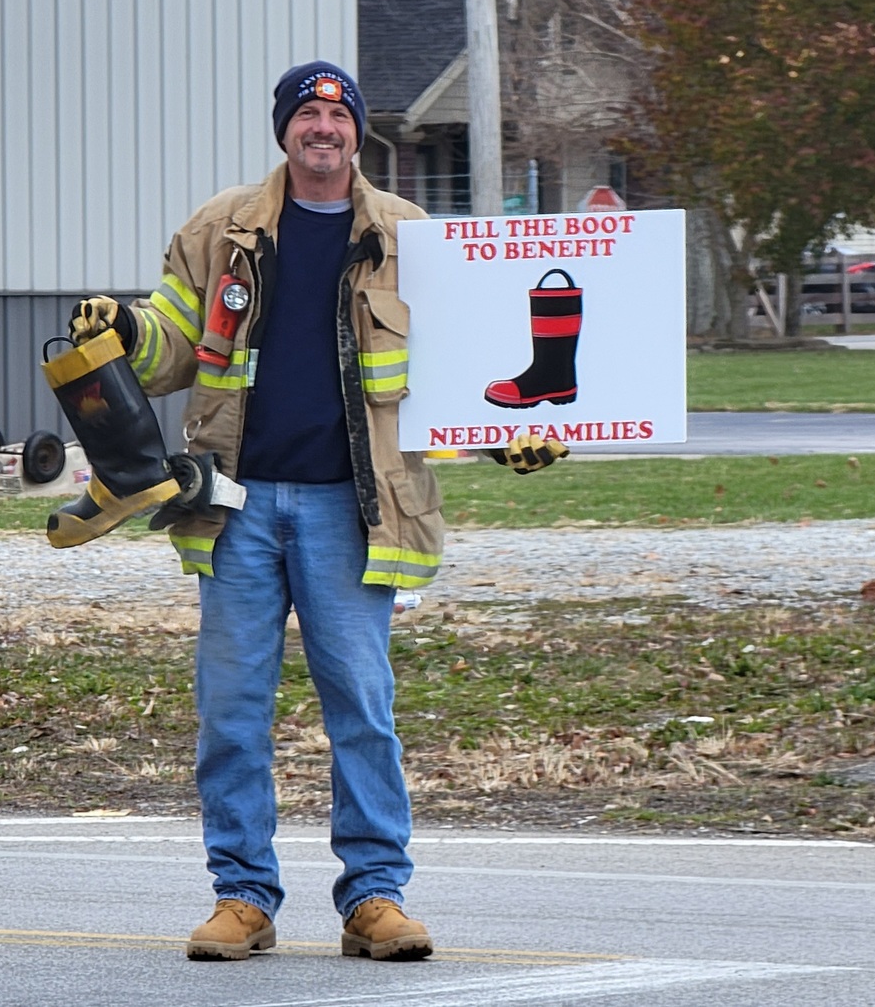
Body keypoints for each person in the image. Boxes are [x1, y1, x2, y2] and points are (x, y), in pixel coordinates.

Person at [67, 60, 564, 963]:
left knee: (362, 708)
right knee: (232, 708)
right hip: (236, 506)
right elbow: (174, 341)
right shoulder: (221, 229)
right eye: (307, 115)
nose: (322, 130)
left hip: (355, 507)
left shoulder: (412, 237)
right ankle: (242, 898)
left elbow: (460, 362)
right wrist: (126, 331)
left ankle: (375, 898)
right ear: (285, 131)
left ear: (357, 132)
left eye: (337, 116)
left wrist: (514, 430)